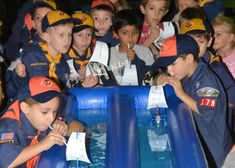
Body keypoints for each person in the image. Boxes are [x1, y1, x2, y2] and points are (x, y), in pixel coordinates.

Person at [153, 34, 233, 167]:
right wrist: (162, 78)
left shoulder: (207, 81)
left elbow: (206, 111)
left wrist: (181, 93)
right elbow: (160, 76)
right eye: (167, 66)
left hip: (215, 150)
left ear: (189, 58)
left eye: (173, 64)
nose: (169, 70)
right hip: (201, 139)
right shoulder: (185, 72)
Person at [0, 76, 83, 167]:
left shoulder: (46, 113)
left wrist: (65, 128)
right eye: (44, 112)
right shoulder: (9, 125)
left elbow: (79, 127)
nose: (51, 118)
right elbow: (5, 162)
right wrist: (43, 145)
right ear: (25, 108)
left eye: (55, 111)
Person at [180, 18, 235, 138]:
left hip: (215, 133)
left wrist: (213, 102)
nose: (194, 48)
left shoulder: (215, 68)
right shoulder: (181, 62)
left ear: (209, 42)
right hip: (193, 125)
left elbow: (232, 98)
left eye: (200, 42)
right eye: (190, 42)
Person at [5, 0, 56, 99]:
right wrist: (19, 76)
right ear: (32, 23)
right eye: (38, 18)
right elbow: (9, 91)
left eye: (47, 17)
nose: (43, 22)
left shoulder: (64, 47)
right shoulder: (27, 52)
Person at [110, 9, 155, 85]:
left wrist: (136, 60)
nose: (130, 37)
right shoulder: (109, 53)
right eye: (125, 33)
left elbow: (150, 77)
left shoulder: (144, 51)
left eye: (135, 32)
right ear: (116, 34)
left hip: (139, 93)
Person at [65, 11, 98, 88]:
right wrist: (77, 76)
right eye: (79, 35)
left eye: (88, 35)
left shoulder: (95, 52)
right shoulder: (64, 55)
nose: (84, 39)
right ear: (70, 35)